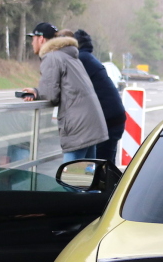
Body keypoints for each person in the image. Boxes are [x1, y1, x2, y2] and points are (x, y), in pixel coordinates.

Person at [20, 22, 107, 163]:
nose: (31, 43)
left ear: (41, 39)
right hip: (90, 123)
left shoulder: (52, 57)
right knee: (87, 179)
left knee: (69, 179)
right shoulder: (67, 55)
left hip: (78, 127)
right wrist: (37, 91)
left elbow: (50, 95)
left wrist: (37, 93)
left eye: (33, 39)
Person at [68, 28, 126, 166]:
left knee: (101, 170)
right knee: (106, 166)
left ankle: (108, 187)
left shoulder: (81, 60)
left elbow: (63, 85)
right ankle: (111, 186)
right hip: (113, 119)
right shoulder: (88, 58)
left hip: (108, 123)